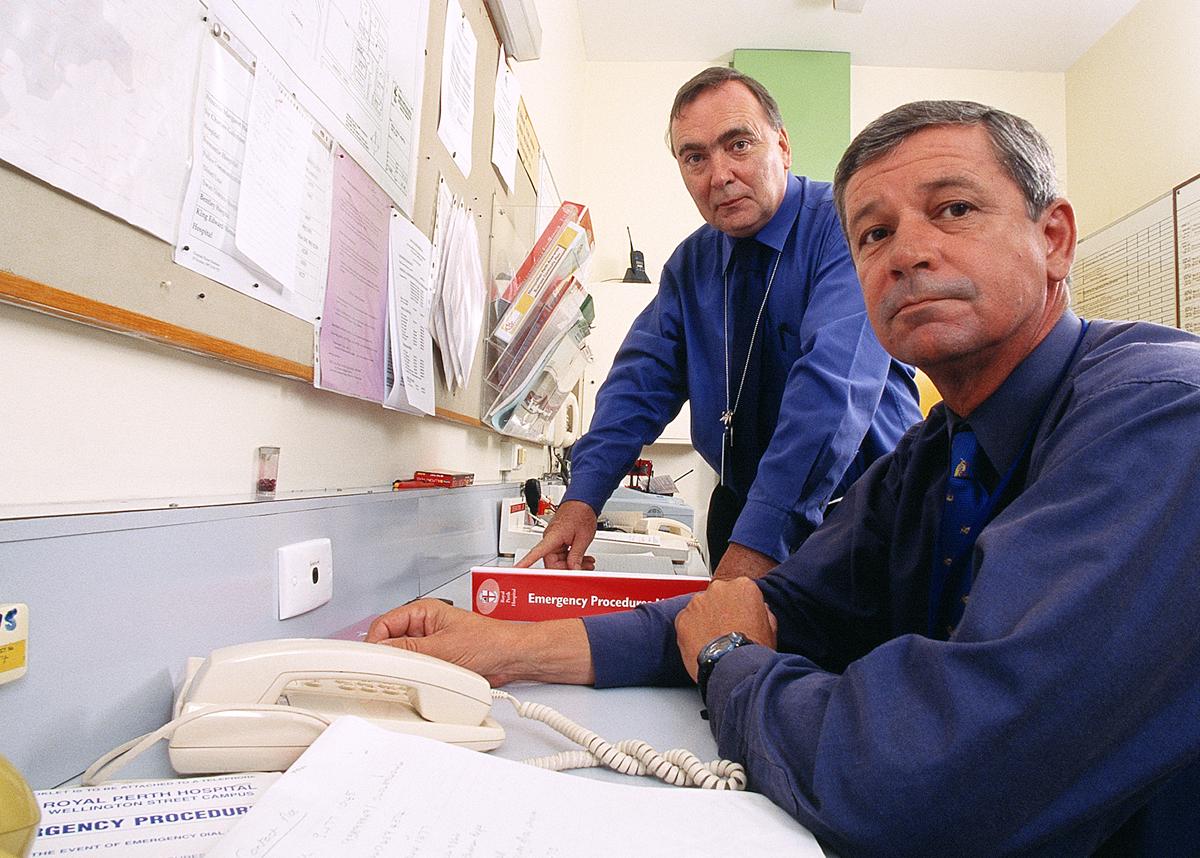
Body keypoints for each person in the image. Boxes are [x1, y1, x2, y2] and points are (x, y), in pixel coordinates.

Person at [368, 101, 1200, 855]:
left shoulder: (1158, 419)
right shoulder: (937, 454)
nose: (908, 252)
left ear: (1054, 238)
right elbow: (766, 595)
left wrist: (731, 652)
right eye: (873, 234)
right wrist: (501, 648)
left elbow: (924, 776)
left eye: (954, 210)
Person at [519, 67, 920, 580]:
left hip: (865, 513)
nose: (720, 175)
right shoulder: (690, 265)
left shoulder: (845, 228)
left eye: (739, 144)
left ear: (783, 145)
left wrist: (759, 543)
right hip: (745, 509)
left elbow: (830, 393)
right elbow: (638, 383)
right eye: (695, 157)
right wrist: (582, 498)